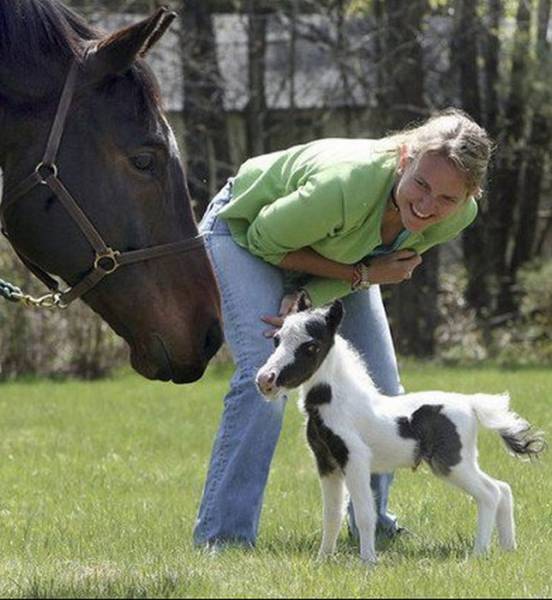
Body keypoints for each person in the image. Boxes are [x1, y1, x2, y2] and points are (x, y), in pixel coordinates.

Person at [193, 108, 492, 548]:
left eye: (447, 199)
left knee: (384, 389)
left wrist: (317, 292)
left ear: (468, 196)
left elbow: (374, 265)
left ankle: (373, 527)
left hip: (341, 254)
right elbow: (262, 239)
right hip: (243, 233)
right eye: (422, 185)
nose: (428, 206)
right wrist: (359, 277)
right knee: (266, 378)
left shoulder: (459, 216)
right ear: (405, 158)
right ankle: (225, 538)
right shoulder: (344, 186)